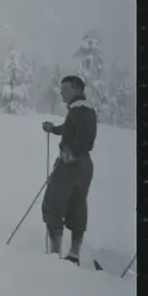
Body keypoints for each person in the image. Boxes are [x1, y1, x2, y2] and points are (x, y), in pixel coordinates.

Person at [40, 75, 99, 263]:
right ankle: (74, 254)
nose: (62, 93)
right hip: (85, 166)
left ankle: (54, 256)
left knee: (53, 205)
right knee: (77, 206)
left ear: (77, 89)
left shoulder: (78, 112)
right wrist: (53, 129)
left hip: (70, 165)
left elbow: (85, 137)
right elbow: (70, 129)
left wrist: (71, 154)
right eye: (61, 90)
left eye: (65, 90)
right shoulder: (85, 110)